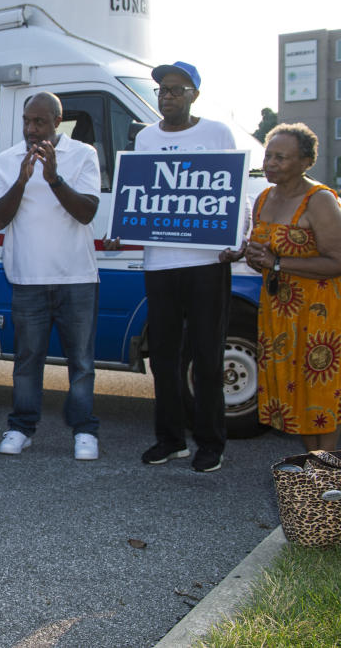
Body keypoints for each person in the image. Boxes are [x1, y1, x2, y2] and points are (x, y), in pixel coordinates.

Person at [132, 61, 238, 472]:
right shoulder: (145, 138)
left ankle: (210, 443)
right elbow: (140, 193)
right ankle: (170, 439)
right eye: (162, 90)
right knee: (163, 358)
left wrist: (234, 241)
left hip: (207, 262)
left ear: (195, 94)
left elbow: (234, 192)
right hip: (159, 263)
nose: (167, 96)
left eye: (177, 89)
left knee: (208, 357)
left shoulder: (217, 133)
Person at [0, 92, 101, 461]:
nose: (32, 129)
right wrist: (22, 180)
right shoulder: (6, 161)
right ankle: (21, 427)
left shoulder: (84, 154)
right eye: (27, 121)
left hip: (77, 277)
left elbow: (86, 212)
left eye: (40, 121)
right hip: (27, 278)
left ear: (57, 121)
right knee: (27, 359)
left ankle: (84, 430)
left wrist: (52, 178)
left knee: (81, 361)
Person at [236, 124, 341, 451]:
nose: (270, 163)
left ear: (305, 162)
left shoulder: (320, 200)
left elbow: (337, 260)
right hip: (278, 315)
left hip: (319, 317)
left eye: (281, 158)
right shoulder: (264, 198)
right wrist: (251, 256)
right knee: (296, 400)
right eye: (268, 155)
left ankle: (325, 481)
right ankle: (315, 473)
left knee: (320, 400)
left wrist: (277, 263)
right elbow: (264, 257)